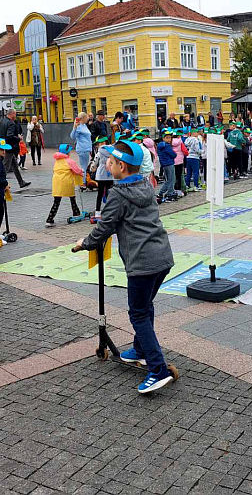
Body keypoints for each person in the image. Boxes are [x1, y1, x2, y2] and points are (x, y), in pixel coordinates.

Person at [74, 140, 176, 393]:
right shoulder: (145, 184)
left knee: (138, 313)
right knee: (145, 307)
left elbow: (104, 227)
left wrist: (84, 243)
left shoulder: (118, 195)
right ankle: (140, 349)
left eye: (109, 161)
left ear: (121, 166)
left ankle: (157, 369)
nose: (106, 164)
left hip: (142, 262)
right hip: (162, 257)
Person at [46, 144, 83, 226]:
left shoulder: (57, 161)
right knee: (72, 198)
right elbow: (77, 171)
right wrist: (82, 171)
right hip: (67, 182)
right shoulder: (69, 161)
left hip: (56, 183)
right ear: (67, 152)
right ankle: (76, 213)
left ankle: (49, 219)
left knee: (56, 202)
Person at [0, 109, 30, 189]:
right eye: (15, 114)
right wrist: (18, 138)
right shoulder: (11, 123)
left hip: (2, 145)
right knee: (5, 166)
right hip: (10, 147)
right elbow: (9, 136)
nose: (15, 116)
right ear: (12, 114)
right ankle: (0, 183)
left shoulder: (2, 121)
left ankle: (21, 182)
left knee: (14, 165)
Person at [89, 135, 115, 220]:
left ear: (103, 143)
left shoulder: (100, 152)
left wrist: (92, 169)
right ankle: (110, 211)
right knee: (110, 194)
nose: (97, 146)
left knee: (100, 194)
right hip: (111, 175)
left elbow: (95, 162)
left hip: (101, 175)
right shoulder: (113, 150)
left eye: (98, 143)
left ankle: (98, 212)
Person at [71, 112, 93, 187]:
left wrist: (90, 149)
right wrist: (75, 127)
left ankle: (83, 182)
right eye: (87, 117)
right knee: (84, 166)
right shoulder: (79, 126)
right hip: (83, 148)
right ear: (83, 118)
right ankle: (82, 183)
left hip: (86, 148)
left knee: (84, 166)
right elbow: (73, 136)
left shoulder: (84, 125)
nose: (88, 118)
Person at [156, 130, 177, 203]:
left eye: (170, 138)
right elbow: (173, 155)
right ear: (163, 138)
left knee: (168, 179)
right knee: (171, 180)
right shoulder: (167, 146)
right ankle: (169, 194)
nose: (169, 139)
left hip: (164, 164)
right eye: (167, 138)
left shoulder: (159, 145)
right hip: (169, 163)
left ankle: (161, 193)